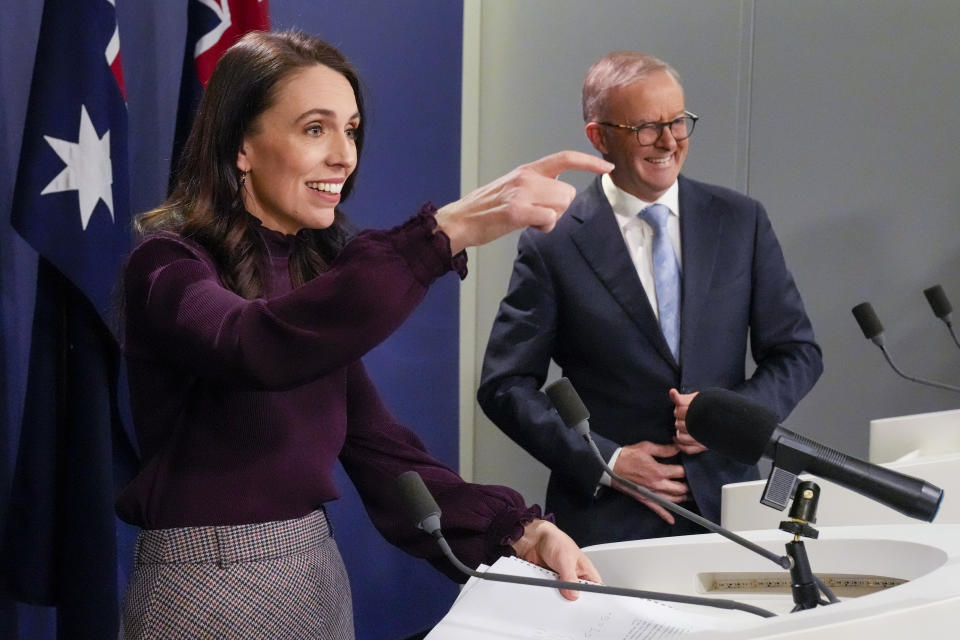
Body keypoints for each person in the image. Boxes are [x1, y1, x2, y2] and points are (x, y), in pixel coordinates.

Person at [116, 30, 613, 639]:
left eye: (350, 130)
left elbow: (382, 453)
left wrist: (519, 530)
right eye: (315, 129)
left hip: (314, 576)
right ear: (241, 145)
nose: (344, 156)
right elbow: (253, 344)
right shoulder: (166, 265)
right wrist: (440, 235)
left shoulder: (313, 281)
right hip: (207, 590)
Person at [478, 51, 823, 548]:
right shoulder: (552, 240)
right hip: (610, 522)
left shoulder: (740, 221)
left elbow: (798, 354)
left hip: (733, 512)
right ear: (599, 137)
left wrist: (729, 421)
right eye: (646, 127)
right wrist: (607, 461)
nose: (669, 141)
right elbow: (505, 384)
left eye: (678, 121)